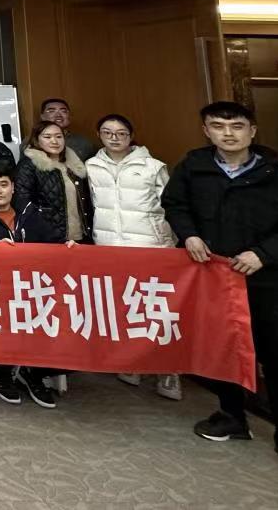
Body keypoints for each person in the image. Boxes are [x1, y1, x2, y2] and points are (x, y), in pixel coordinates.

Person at [162, 101, 278, 480]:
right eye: (218, 126)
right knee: (223, 348)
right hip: (214, 278)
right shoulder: (193, 166)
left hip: (267, 279)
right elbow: (174, 204)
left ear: (252, 131)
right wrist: (189, 234)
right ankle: (232, 415)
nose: (228, 133)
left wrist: (264, 254)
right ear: (206, 130)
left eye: (237, 126)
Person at [0, 161, 72, 409]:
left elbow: (53, 244)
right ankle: (3, 370)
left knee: (65, 313)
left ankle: (33, 372)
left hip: (31, 287)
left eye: (3, 184)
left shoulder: (30, 213)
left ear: (13, 187)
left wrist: (67, 248)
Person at [85, 114, 181, 401]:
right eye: (107, 132)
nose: (114, 138)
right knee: (124, 307)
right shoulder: (90, 166)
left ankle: (169, 370)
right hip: (110, 246)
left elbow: (171, 205)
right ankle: (133, 362)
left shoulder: (153, 166)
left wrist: (172, 241)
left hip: (151, 245)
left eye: (121, 133)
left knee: (158, 309)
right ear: (99, 135)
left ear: (131, 135)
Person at [14, 121, 93, 243]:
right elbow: (23, 203)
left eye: (59, 136)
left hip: (79, 235)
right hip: (48, 239)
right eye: (47, 137)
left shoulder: (74, 165)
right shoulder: (28, 165)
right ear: (36, 139)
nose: (54, 141)